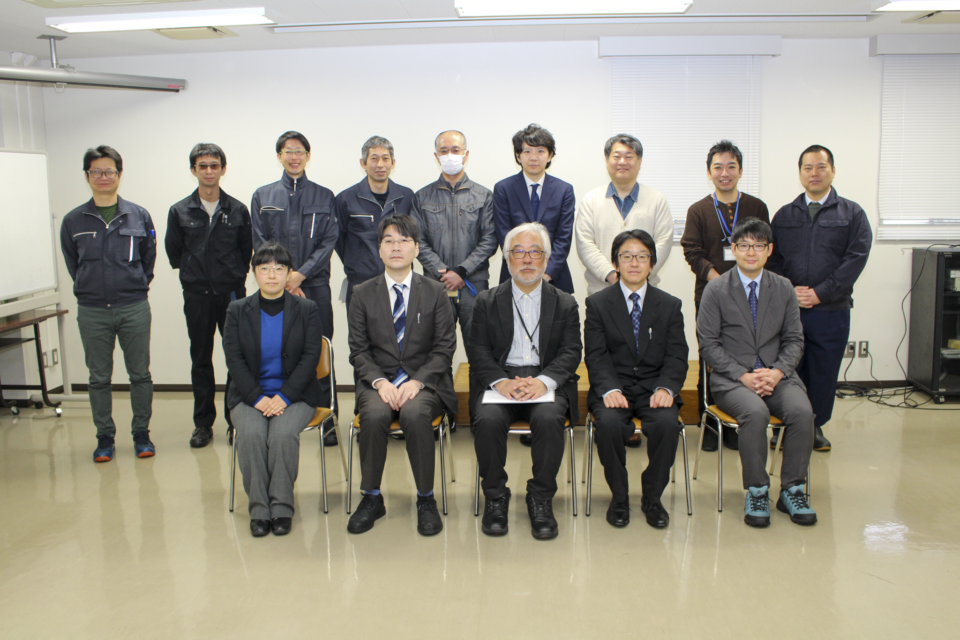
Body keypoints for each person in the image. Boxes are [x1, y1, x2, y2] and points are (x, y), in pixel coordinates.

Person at [697, 219, 817, 528]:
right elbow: (708, 344)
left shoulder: (783, 287)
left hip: (778, 376)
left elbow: (794, 340)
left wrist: (777, 372)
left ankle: (792, 490)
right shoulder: (716, 289)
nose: (751, 252)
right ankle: (757, 491)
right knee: (755, 413)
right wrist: (743, 375)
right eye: (744, 245)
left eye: (759, 245)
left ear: (769, 250)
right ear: (733, 249)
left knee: (802, 412)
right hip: (732, 380)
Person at [469, 222, 582, 540]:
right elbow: (478, 350)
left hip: (545, 381)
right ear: (507, 259)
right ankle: (495, 496)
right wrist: (499, 382)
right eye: (518, 252)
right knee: (488, 419)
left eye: (535, 252)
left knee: (548, 418)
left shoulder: (565, 302)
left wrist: (545, 381)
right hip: (501, 381)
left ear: (546, 259)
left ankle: (540, 498)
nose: (527, 259)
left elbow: (571, 351)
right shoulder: (486, 301)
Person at [346, 214, 457, 536]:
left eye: (404, 241)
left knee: (414, 413)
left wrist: (417, 381)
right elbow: (358, 350)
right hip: (377, 382)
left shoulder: (435, 291)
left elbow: (444, 348)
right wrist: (380, 382)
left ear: (416, 249)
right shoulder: (362, 293)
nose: (396, 247)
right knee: (374, 414)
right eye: (389, 241)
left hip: (424, 382)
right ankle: (371, 497)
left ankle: (425, 498)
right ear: (379, 249)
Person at [767, 145, 872, 452]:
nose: (814, 173)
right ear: (800, 173)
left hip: (831, 309)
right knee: (789, 368)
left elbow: (855, 259)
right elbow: (772, 259)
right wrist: (791, 291)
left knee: (824, 371)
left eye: (821, 167)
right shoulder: (784, 215)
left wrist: (819, 293)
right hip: (791, 310)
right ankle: (785, 424)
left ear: (833, 171)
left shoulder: (852, 213)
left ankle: (813, 426)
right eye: (808, 168)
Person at [584, 229, 688, 529]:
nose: (634, 263)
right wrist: (609, 389)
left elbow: (677, 355)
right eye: (626, 256)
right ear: (615, 263)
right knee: (608, 425)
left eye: (642, 256)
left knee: (667, 425)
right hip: (613, 387)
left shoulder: (669, 305)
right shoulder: (598, 304)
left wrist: (666, 388)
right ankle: (619, 497)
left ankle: (652, 497)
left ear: (652, 263)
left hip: (654, 387)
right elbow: (595, 354)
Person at [60, 145, 157, 463]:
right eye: (97, 171)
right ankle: (104, 437)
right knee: (98, 378)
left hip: (133, 307)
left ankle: (141, 434)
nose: (103, 177)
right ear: (87, 176)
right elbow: (74, 264)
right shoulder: (73, 220)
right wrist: (91, 287)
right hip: (92, 311)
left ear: (119, 174)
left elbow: (148, 259)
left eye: (109, 171)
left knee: (140, 374)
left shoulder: (138, 215)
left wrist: (134, 285)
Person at [223, 242, 323, 538]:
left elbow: (310, 357)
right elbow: (234, 359)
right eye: (264, 268)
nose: (271, 275)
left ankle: (281, 508)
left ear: (289, 273)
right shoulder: (237, 310)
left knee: (281, 436)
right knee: (252, 435)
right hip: (249, 396)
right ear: (254, 272)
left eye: (279, 268)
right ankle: (259, 509)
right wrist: (257, 397)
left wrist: (284, 396)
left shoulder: (307, 309)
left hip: (295, 395)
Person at [251, 131, 339, 446]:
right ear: (279, 156)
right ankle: (279, 411)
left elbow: (329, 241)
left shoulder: (324, 196)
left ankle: (328, 419)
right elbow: (260, 242)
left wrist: (300, 275)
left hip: (314, 286)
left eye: (299, 151)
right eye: (288, 151)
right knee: (277, 349)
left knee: (321, 348)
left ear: (308, 156)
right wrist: (284, 278)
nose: (294, 157)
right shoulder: (263, 196)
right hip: (276, 288)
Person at [681, 140, 770, 453]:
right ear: (709, 172)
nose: (724, 173)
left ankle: (738, 423)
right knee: (711, 356)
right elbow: (692, 252)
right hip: (711, 295)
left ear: (740, 171)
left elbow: (764, 248)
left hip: (751, 296)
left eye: (731, 166)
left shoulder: (756, 207)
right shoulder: (698, 210)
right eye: (718, 167)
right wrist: (722, 283)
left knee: (745, 356)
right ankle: (709, 424)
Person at [165, 143, 252, 449]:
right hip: (197, 295)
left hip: (231, 295)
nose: (209, 171)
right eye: (203, 166)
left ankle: (235, 421)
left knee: (236, 359)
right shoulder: (179, 211)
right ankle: (203, 424)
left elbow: (246, 251)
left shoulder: (238, 210)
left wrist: (232, 276)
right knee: (200, 359)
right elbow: (174, 252)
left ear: (223, 169)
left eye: (214, 165)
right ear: (194, 170)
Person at [410, 130, 497, 350]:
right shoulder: (422, 197)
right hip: (435, 285)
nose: (450, 155)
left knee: (479, 348)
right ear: (436, 156)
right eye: (444, 151)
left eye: (456, 150)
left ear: (466, 154)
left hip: (473, 284)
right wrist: (442, 271)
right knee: (437, 349)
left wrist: (462, 271)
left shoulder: (484, 196)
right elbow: (417, 240)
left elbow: (489, 239)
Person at [575, 133, 673, 296]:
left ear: (639, 162)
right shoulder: (591, 200)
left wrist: (638, 275)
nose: (622, 162)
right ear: (607, 161)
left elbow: (663, 242)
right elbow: (585, 244)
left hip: (645, 292)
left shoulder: (657, 200)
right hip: (602, 292)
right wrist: (612, 275)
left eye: (629, 157)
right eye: (616, 156)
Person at [493, 123, 576, 294]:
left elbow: (564, 238)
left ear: (550, 155)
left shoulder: (564, 190)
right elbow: (504, 235)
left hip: (555, 277)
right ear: (518, 156)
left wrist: (546, 273)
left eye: (540, 151)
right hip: (515, 274)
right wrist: (523, 270)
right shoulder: (504, 189)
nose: (533, 157)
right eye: (527, 151)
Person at [335, 135, 415, 309]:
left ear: (393, 163)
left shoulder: (407, 196)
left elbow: (415, 236)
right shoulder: (345, 199)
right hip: (360, 282)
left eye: (385, 159)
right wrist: (358, 262)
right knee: (360, 327)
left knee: (402, 327)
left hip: (400, 281)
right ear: (363, 163)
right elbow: (339, 240)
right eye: (374, 159)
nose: (380, 165)